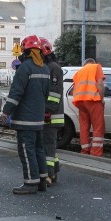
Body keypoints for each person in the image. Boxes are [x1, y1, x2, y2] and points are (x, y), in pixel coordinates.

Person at [0, 35, 51, 194]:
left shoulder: (25, 68)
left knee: (26, 150)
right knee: (38, 149)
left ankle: (30, 183)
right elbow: (46, 94)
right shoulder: (44, 68)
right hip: (38, 118)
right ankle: (42, 180)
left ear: (25, 49)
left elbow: (16, 93)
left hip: (25, 119)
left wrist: (5, 112)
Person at [40, 38, 64, 185]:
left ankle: (48, 175)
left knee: (47, 145)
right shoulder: (48, 67)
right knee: (50, 146)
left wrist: (48, 110)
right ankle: (54, 171)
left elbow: (55, 93)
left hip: (51, 115)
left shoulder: (53, 68)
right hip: (50, 114)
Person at [72, 58, 106, 156]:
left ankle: (85, 150)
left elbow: (74, 88)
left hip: (80, 101)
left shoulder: (79, 72)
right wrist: (102, 99)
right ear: (93, 63)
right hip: (93, 100)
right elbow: (100, 84)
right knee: (98, 127)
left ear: (85, 64)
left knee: (84, 126)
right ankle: (96, 152)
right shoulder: (96, 67)